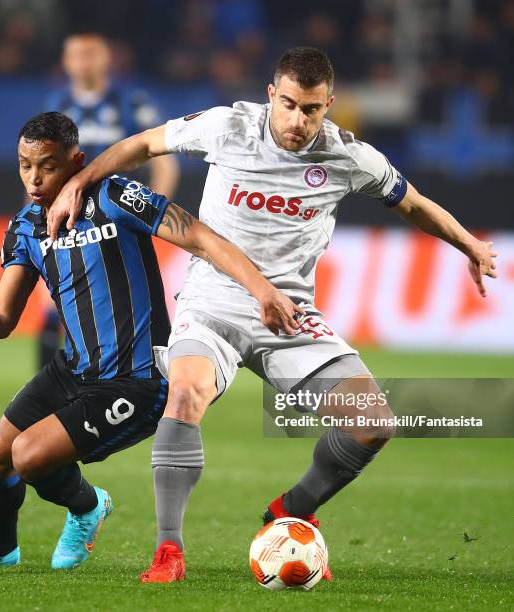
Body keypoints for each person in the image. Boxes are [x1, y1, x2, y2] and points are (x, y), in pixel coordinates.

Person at [45, 47, 498, 582]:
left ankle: (290, 512)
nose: (297, 120)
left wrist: (469, 243)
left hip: (289, 315)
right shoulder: (226, 128)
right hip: (212, 303)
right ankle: (169, 550)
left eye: (311, 109)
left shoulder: (350, 158)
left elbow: (414, 203)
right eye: (288, 105)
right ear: (270, 96)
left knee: (373, 424)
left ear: (329, 104)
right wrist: (80, 181)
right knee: (185, 392)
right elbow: (143, 143)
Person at [0, 111, 299, 569]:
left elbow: (201, 239)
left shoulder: (116, 197)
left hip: (134, 379)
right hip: (73, 369)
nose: (34, 177)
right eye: (25, 165)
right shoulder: (25, 226)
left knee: (28, 456)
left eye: (47, 165)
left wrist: (263, 289)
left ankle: (88, 507)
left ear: (76, 161)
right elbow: (3, 317)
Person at [37, 31, 180, 368]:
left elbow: (166, 164)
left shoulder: (132, 102)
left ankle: (155, 386)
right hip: (68, 220)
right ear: (66, 62)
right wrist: (36, 214)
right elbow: (39, 168)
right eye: (77, 55)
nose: (84, 62)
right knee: (52, 306)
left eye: (92, 54)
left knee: (134, 305)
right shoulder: (56, 107)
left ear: (106, 60)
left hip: (117, 219)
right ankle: (46, 389)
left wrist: (149, 212)